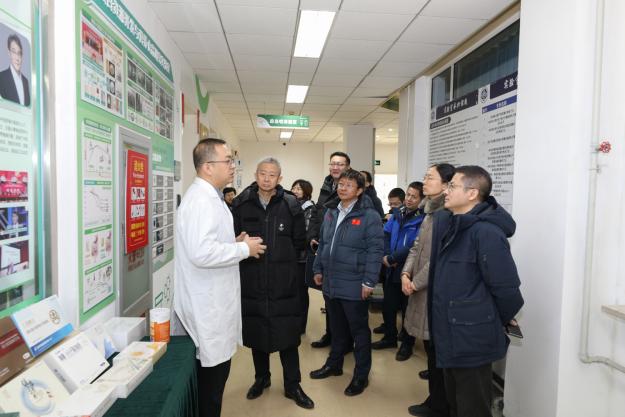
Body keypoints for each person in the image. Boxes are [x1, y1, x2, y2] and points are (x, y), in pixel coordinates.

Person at [174, 138, 266, 417]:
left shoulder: (211, 197)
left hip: (214, 303)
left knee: (215, 384)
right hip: (207, 307)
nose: (233, 166)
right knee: (210, 389)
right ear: (208, 167)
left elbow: (206, 243)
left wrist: (232, 242)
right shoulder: (201, 201)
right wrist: (243, 249)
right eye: (227, 161)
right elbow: (201, 253)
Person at [430, 166, 524, 417]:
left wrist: (489, 320)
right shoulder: (452, 225)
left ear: (472, 193)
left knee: (472, 408)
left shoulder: (486, 233)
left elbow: (507, 291)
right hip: (450, 333)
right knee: (456, 404)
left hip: (472, 337)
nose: (446, 191)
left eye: (452, 186)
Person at [232, 158, 314, 409]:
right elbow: (233, 239)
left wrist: (282, 261)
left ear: (280, 178)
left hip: (283, 282)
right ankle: (261, 379)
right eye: (263, 173)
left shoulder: (290, 204)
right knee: (258, 332)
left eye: (272, 175)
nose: (267, 179)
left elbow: (299, 240)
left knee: (288, 336)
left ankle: (293, 385)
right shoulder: (241, 203)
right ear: (255, 175)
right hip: (252, 279)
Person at [309, 169, 384, 396]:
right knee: (336, 328)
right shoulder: (331, 211)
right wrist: (318, 268)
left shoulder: (369, 216)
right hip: (331, 281)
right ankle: (334, 364)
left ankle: (361, 375)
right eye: (340, 184)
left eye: (349, 185)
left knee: (358, 331)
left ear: (360, 190)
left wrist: (369, 281)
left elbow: (375, 250)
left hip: (354, 282)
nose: (342, 188)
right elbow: (323, 243)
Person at [401, 164, 455, 417]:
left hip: (433, 290)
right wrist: (405, 273)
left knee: (437, 351)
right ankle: (436, 401)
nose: (424, 181)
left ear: (446, 185)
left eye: (430, 178)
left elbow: (438, 258)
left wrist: (415, 282)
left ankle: (439, 404)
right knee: (431, 349)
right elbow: (416, 247)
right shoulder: (430, 211)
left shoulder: (447, 215)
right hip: (421, 286)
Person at [372, 183, 424, 362]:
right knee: (389, 305)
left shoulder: (423, 219)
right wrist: (387, 256)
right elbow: (385, 235)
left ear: (422, 200)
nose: (409, 199)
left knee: (408, 308)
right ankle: (389, 337)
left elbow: (415, 245)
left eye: (414, 196)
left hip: (408, 269)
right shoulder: (397, 214)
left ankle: (407, 344)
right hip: (390, 267)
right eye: (408, 195)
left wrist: (393, 258)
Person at [308, 151, 351, 348]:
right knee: (328, 296)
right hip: (326, 247)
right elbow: (319, 211)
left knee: (344, 301)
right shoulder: (327, 184)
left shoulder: (352, 187)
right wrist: (313, 235)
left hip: (343, 251)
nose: (335, 167)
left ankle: (344, 341)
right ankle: (331, 334)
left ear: (347, 167)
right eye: (333, 163)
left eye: (340, 164)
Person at [291, 179, 315, 334]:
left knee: (301, 292)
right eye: (294, 187)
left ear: (306, 192)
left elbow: (305, 232)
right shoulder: (291, 205)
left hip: (302, 257)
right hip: (291, 256)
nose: (295, 190)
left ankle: (300, 326)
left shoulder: (309, 208)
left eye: (299, 188)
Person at [0, 34, 29, 107]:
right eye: (14, 52)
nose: (17, 57)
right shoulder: (1, 78)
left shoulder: (25, 81)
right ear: (9, 53)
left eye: (19, 53)